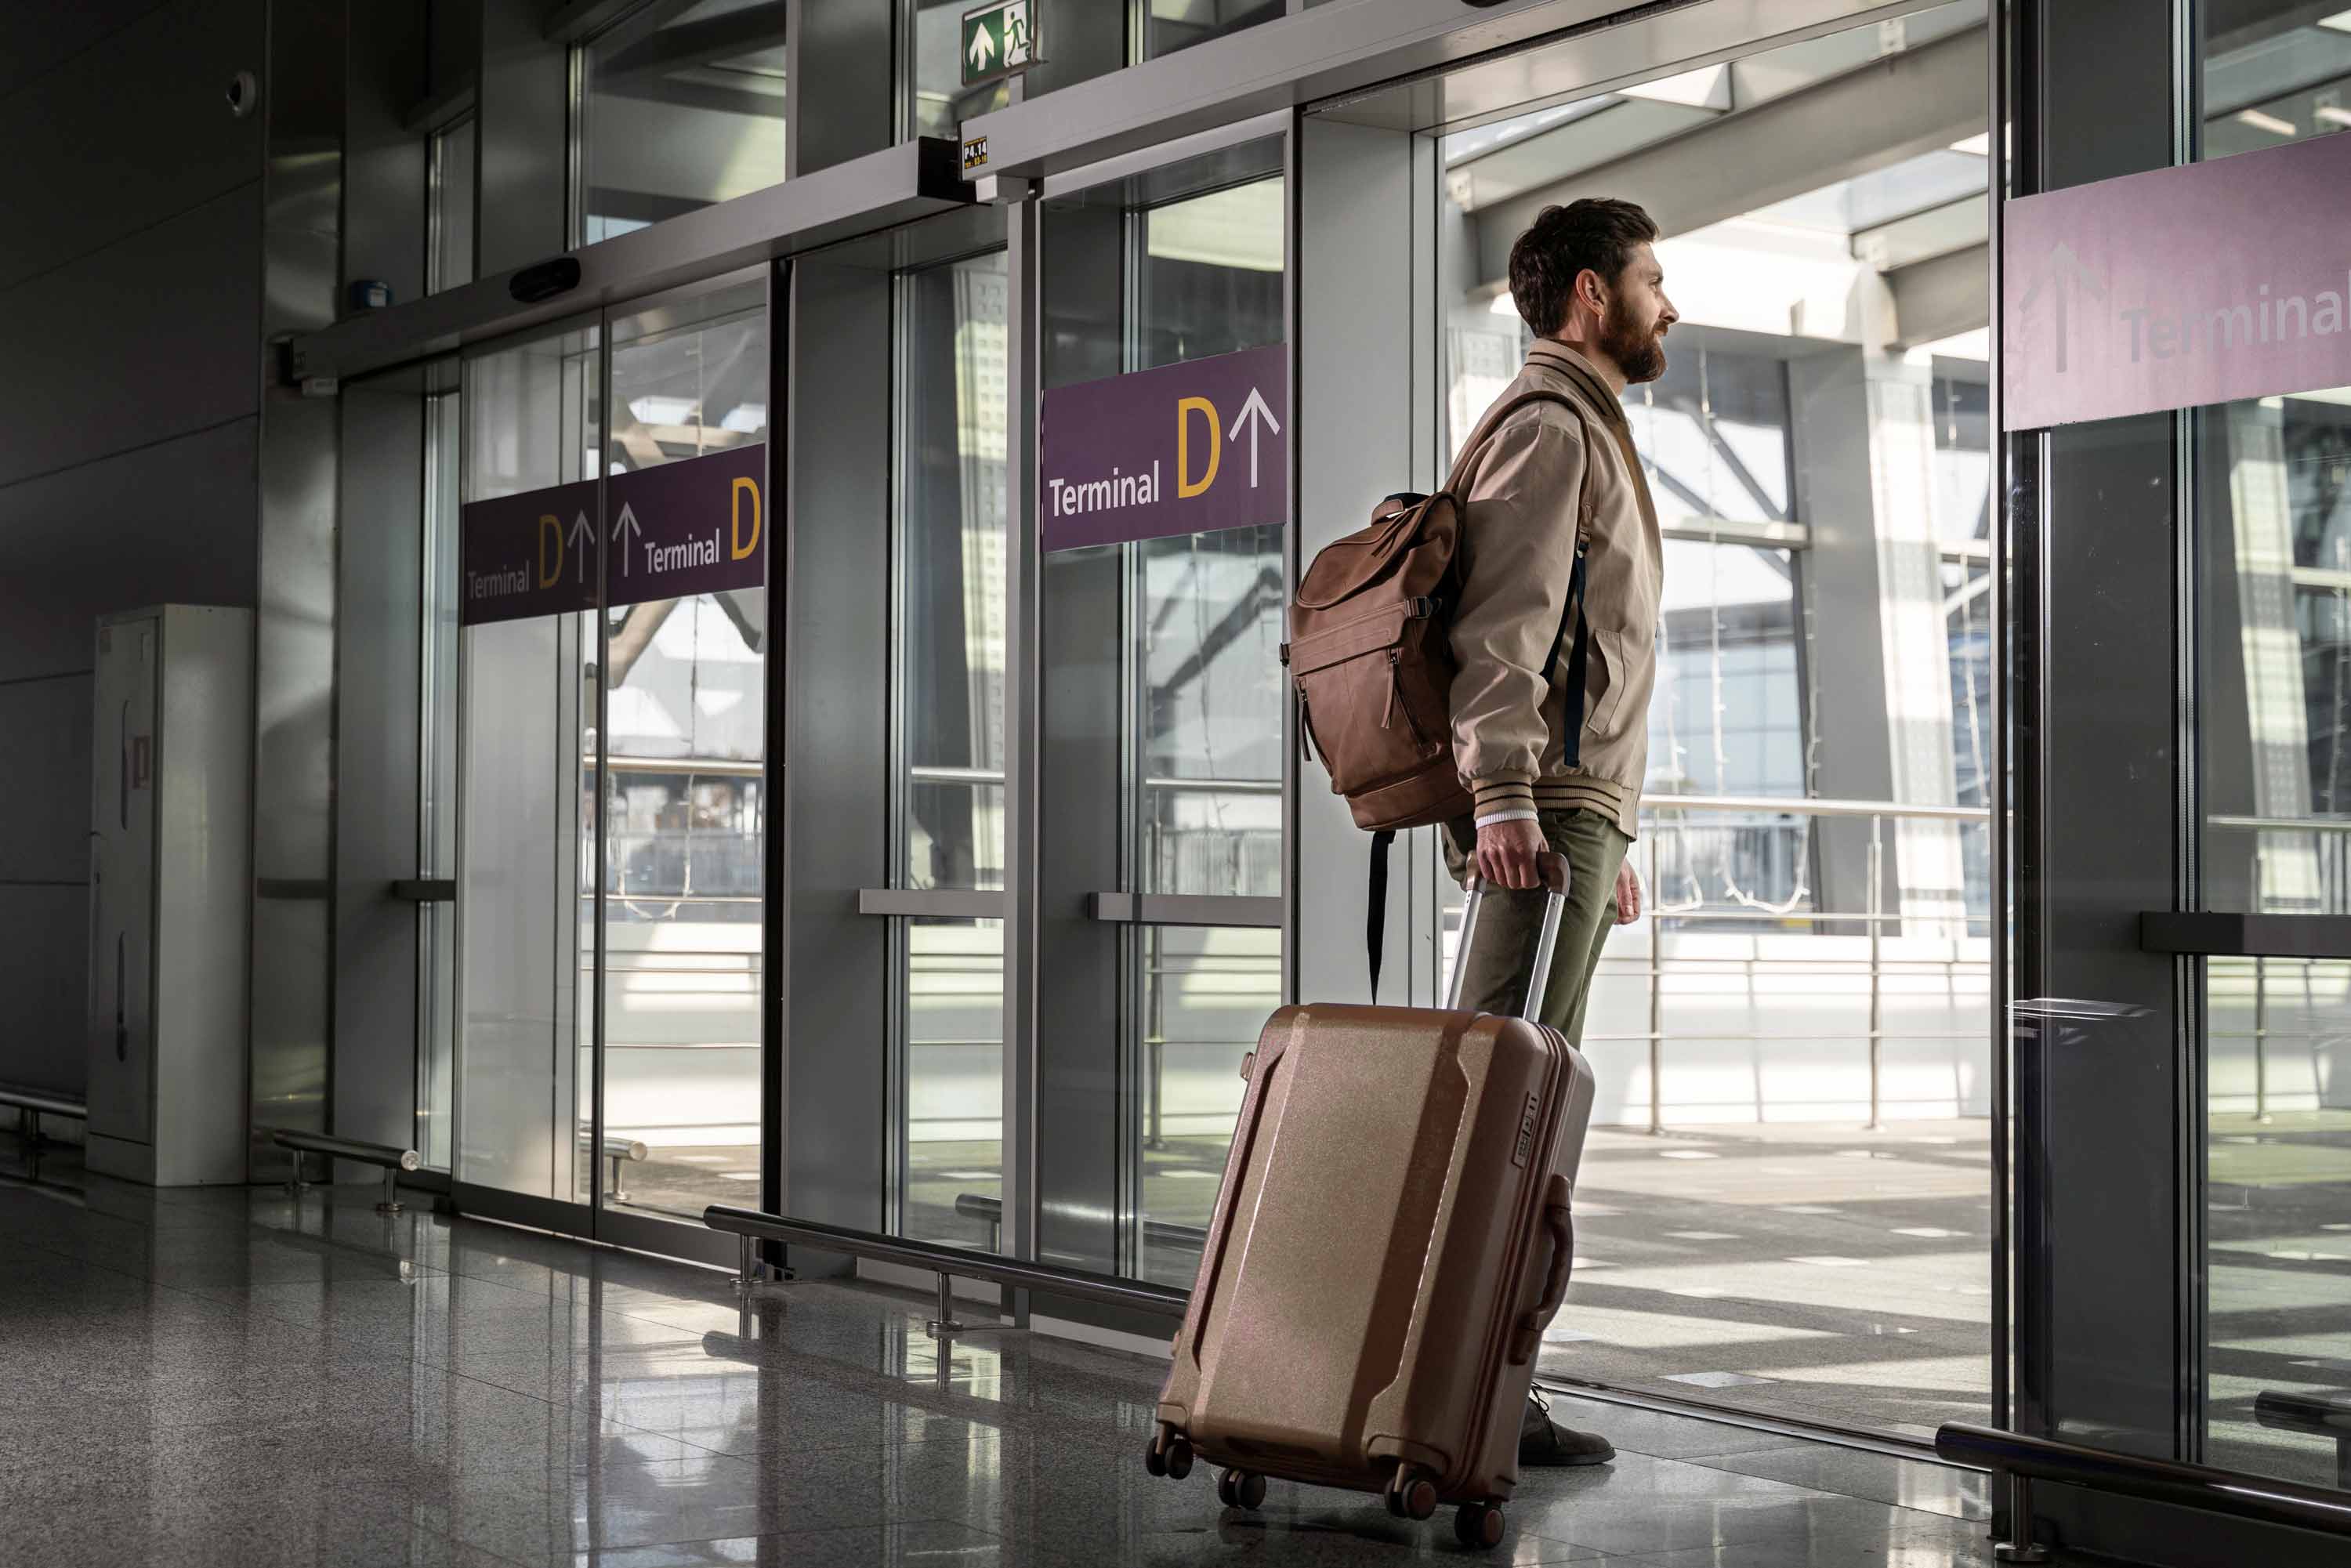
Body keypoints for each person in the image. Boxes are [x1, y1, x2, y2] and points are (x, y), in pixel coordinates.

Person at [1446, 197, 1674, 1468]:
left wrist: (1610, 835)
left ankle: (1480, 1381)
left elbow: (1590, 646)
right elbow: (1507, 629)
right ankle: (1461, 1388)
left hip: (1577, 815)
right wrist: (1511, 797)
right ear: (1592, 297)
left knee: (1526, 1095)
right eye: (1652, 279)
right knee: (1504, 1105)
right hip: (1545, 813)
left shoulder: (1584, 425)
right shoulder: (1549, 427)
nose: (1668, 302)